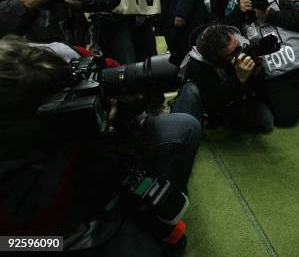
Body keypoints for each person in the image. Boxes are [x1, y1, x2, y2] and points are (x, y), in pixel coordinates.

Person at [0, 37, 201, 255]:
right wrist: (87, 133)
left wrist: (120, 96)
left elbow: (114, 70)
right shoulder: (14, 164)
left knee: (182, 128)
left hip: (102, 155)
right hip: (44, 237)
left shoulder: (57, 54)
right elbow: (27, 231)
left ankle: (144, 213)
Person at [172, 24, 274, 133]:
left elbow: (254, 88)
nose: (239, 52)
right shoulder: (198, 63)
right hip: (209, 104)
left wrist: (255, 72)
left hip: (233, 100)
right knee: (191, 89)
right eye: (233, 53)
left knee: (265, 122)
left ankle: (223, 124)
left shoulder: (239, 41)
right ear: (217, 56)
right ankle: (200, 124)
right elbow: (211, 101)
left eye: (238, 46)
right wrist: (239, 78)